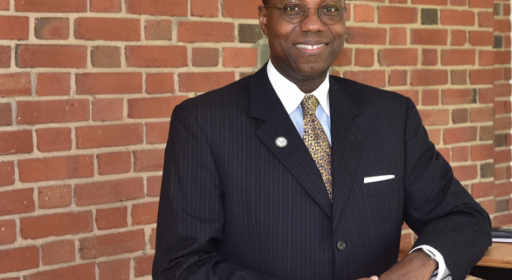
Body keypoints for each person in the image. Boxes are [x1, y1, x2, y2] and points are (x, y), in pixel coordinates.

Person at [152, 0, 491, 279]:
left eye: (328, 9)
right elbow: (180, 266)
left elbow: (462, 217)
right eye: (292, 8)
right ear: (263, 18)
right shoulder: (204, 122)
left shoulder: (392, 115)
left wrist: (417, 266)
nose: (313, 24)